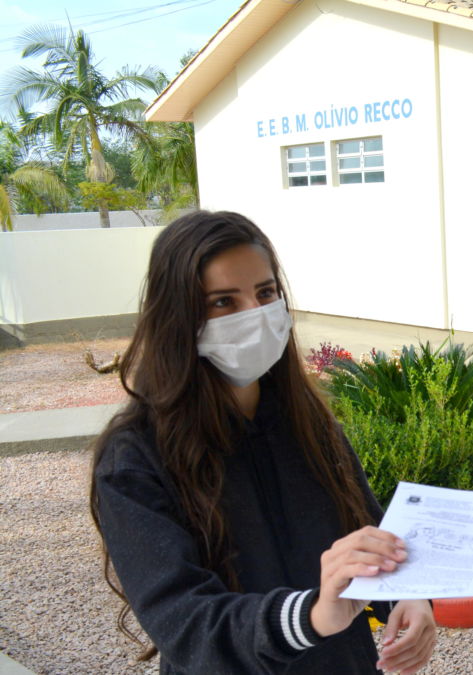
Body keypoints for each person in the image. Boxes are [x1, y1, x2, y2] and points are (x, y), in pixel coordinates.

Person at [89, 211, 437, 674]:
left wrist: (409, 595)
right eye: (222, 302)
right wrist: (310, 616)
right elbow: (183, 623)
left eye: (265, 293)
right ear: (178, 316)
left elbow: (370, 533)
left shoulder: (310, 423)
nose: (254, 315)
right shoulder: (134, 459)